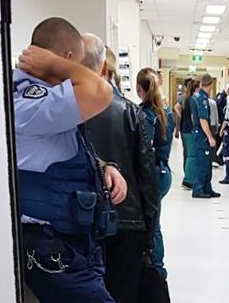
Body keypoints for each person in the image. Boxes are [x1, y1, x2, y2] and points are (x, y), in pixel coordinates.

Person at [14, 17, 127, 303]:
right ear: (67, 58)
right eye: (74, 63)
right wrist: (55, 64)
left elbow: (55, 149)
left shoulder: (44, 100)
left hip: (69, 241)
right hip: (48, 246)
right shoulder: (30, 101)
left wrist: (103, 168)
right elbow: (101, 91)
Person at [82, 35, 157, 303]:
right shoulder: (128, 112)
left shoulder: (65, 112)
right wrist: (149, 230)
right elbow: (147, 177)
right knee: (124, 293)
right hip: (127, 222)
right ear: (105, 68)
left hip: (83, 223)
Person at [136, 68, 174, 279]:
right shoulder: (165, 111)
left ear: (138, 88)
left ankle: (156, 269)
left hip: (153, 175)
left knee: (153, 224)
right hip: (163, 172)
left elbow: (144, 150)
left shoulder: (144, 114)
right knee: (155, 221)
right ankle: (155, 265)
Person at [191, 74, 221, 198]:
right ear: (210, 85)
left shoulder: (198, 97)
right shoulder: (201, 99)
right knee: (202, 164)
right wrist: (210, 137)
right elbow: (203, 120)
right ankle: (198, 189)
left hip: (200, 135)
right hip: (202, 136)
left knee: (208, 164)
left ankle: (207, 188)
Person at [179, 79, 199, 190]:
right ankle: (188, 180)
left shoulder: (186, 99)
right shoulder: (193, 100)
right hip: (190, 130)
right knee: (192, 156)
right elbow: (193, 117)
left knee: (188, 154)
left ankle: (189, 177)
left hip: (185, 130)